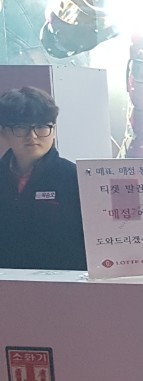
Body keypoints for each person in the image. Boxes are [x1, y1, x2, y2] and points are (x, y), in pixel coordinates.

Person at [0, 86, 86, 270]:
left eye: (41, 127)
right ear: (4, 132)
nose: (32, 136)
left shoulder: (75, 178)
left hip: (62, 281)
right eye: (21, 127)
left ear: (53, 130)